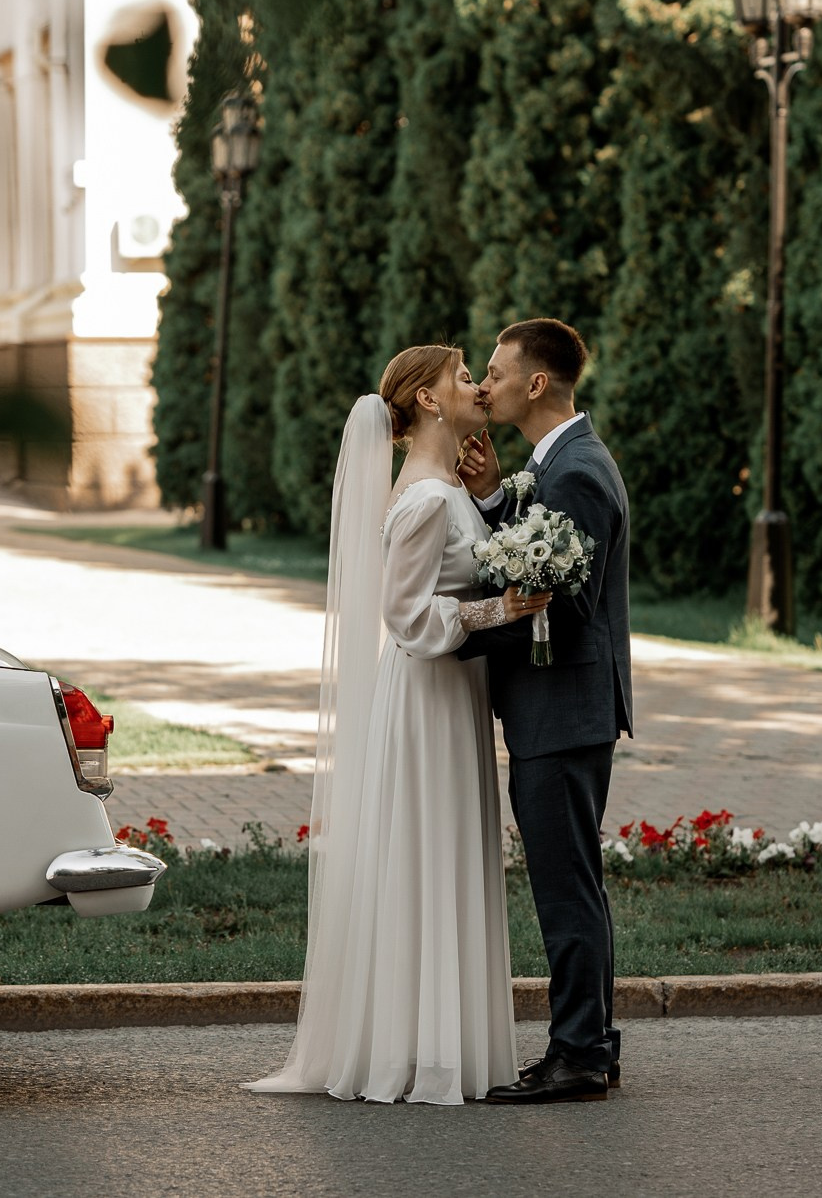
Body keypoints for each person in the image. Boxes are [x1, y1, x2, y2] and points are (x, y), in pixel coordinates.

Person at [246, 345, 549, 1105]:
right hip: (426, 698)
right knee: (425, 848)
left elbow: (458, 558)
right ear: (428, 400)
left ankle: (446, 1039)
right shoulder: (416, 498)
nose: (478, 385)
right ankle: (417, 1047)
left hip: (455, 695)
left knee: (443, 849)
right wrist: (500, 609)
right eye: (462, 376)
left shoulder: (445, 489)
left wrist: (484, 501)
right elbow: (408, 615)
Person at [457, 317, 633, 1105]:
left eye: (494, 372)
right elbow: (532, 553)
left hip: (563, 711)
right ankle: (591, 1039)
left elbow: (564, 608)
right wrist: (496, 497)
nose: (484, 384)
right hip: (560, 713)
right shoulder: (552, 464)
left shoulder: (579, 474)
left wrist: (461, 628)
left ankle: (579, 1054)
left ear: (535, 383)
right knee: (574, 883)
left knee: (565, 887)